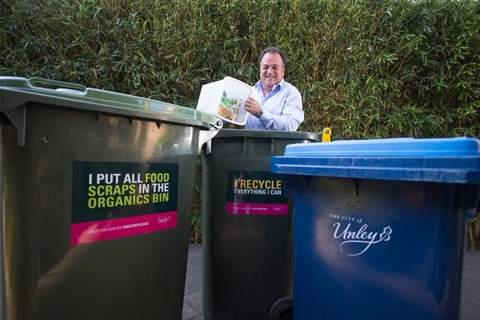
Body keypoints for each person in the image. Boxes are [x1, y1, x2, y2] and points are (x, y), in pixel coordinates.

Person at [243, 47, 304, 131]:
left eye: (275, 67)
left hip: (276, 144)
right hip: (247, 143)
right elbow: (232, 116)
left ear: (283, 70)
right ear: (260, 69)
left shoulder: (291, 93)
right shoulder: (249, 92)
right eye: (266, 67)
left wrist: (260, 113)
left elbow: (289, 125)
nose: (269, 72)